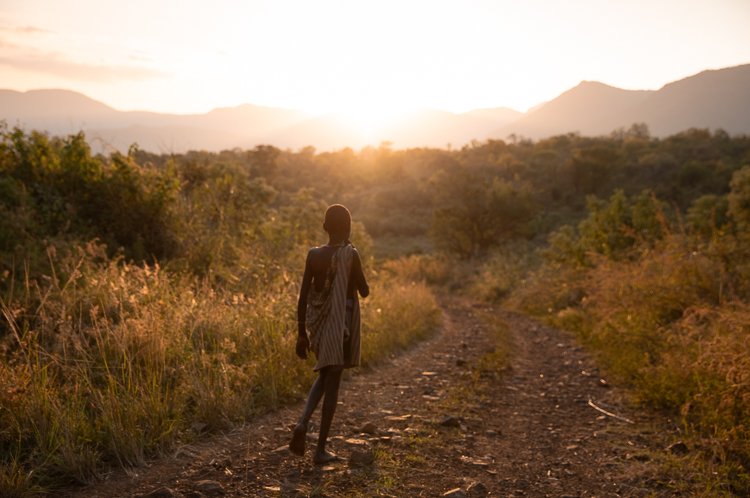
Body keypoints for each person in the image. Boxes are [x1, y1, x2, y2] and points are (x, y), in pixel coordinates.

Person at [289, 204, 369, 464]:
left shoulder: (313, 255)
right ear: (348, 228)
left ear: (325, 227)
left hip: (318, 324)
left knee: (324, 373)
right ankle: (320, 449)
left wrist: (302, 334)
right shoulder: (350, 254)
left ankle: (302, 423)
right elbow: (364, 290)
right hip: (342, 324)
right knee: (332, 382)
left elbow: (302, 298)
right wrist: (351, 258)